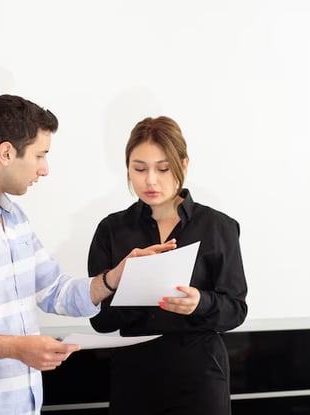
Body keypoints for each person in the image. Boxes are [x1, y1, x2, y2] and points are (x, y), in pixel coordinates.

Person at [0, 94, 176, 415]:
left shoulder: (13, 218)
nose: (44, 169)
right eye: (40, 155)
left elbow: (55, 292)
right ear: (6, 152)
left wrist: (114, 277)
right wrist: (19, 349)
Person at [88, 115, 248, 415]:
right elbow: (99, 320)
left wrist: (200, 303)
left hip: (199, 377)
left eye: (162, 169)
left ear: (183, 165)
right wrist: (134, 290)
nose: (150, 180)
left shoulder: (218, 227)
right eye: (139, 169)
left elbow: (236, 309)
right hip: (134, 378)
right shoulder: (112, 230)